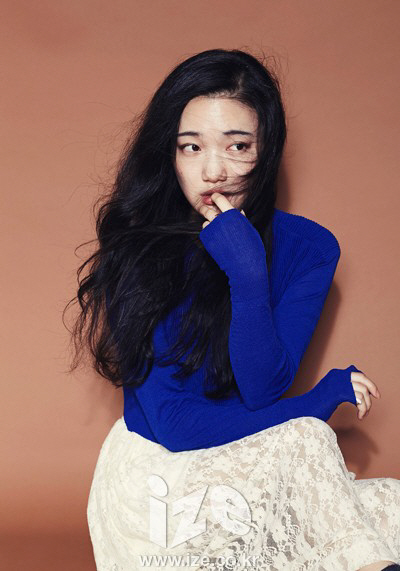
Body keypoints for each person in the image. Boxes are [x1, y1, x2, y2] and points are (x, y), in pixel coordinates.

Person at [66, 49, 400, 570]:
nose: (213, 171)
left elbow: (261, 388)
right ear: (170, 154)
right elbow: (176, 426)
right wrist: (317, 400)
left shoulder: (310, 248)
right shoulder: (138, 249)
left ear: (266, 151)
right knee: (307, 439)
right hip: (158, 484)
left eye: (238, 146)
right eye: (191, 147)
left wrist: (248, 274)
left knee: (390, 509)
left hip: (246, 460)